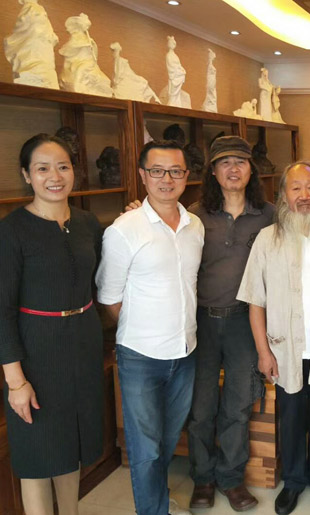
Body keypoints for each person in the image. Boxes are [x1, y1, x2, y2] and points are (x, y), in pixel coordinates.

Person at [237, 162, 310, 515]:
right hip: (284, 351)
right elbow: (255, 301)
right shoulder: (267, 240)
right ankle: (294, 481)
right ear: (284, 195)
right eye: (296, 188)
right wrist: (263, 352)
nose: (305, 195)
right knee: (290, 421)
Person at [97, 140, 204, 515]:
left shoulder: (195, 226)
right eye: (157, 171)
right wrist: (144, 329)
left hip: (185, 352)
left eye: (175, 171)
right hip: (141, 357)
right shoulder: (124, 230)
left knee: (168, 439)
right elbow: (110, 297)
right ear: (142, 175)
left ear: (186, 176)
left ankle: (158, 502)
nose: (166, 179)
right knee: (145, 448)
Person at [0, 133, 104, 515]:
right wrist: (16, 382)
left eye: (63, 166)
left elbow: (104, 278)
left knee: (70, 446)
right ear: (27, 175)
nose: (55, 176)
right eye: (42, 168)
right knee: (38, 454)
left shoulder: (87, 222)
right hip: (36, 354)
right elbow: (1, 311)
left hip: (83, 345)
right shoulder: (11, 230)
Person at [187, 136, 274, 511]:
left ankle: (231, 479)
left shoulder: (269, 215)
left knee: (238, 406)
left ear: (251, 169)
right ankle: (202, 479)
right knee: (201, 408)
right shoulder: (194, 215)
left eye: (240, 161)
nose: (233, 169)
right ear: (213, 172)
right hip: (201, 323)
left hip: (245, 323)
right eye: (224, 163)